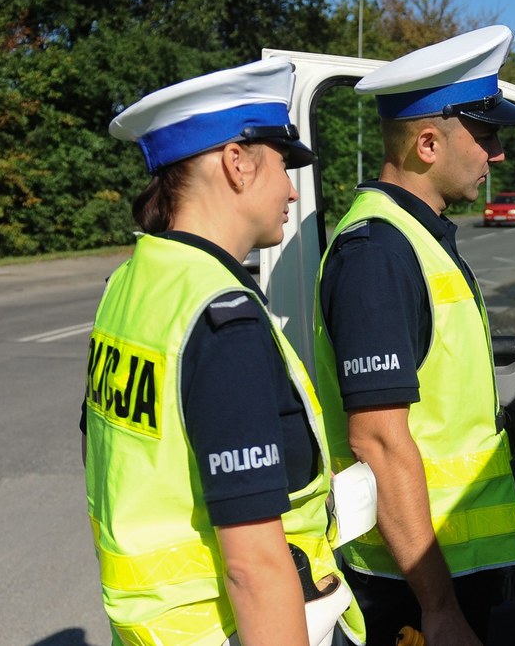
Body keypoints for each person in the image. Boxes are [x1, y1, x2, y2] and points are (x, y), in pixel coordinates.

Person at [82, 59, 364, 646]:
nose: (291, 188)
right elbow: (254, 568)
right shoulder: (220, 316)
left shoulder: (130, 286)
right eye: (283, 165)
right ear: (237, 163)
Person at [313, 26, 515, 645]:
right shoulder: (378, 252)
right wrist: (437, 608)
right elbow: (378, 440)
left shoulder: (414, 235)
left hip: (448, 567)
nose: (497, 154)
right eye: (485, 134)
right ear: (428, 143)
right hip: (413, 584)